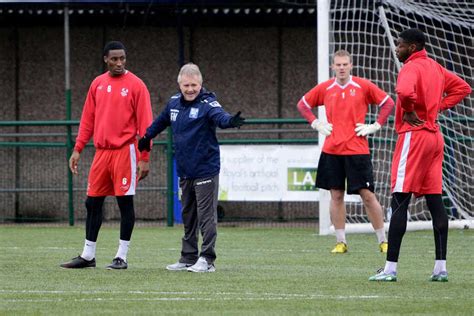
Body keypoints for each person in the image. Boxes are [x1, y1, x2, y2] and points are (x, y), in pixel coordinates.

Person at [369, 29, 471, 282]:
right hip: (435, 138)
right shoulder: (435, 67)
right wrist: (436, 108)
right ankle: (440, 268)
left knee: (400, 199)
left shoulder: (411, 68)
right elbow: (463, 88)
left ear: (412, 47)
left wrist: (412, 110)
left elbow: (404, 92)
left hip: (414, 136)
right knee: (435, 201)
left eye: (400, 45)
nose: (397, 48)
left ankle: (390, 269)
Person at [138, 63, 245, 273]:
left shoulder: (208, 103)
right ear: (179, 84)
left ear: (200, 84)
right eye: (186, 85)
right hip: (185, 170)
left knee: (206, 216)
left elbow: (221, 117)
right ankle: (188, 257)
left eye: (194, 85)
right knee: (188, 215)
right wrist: (146, 137)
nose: (190, 89)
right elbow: (159, 122)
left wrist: (231, 121)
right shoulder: (173, 103)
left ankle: (207, 259)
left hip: (206, 169)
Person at [60, 41, 153, 270]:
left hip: (125, 152)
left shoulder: (137, 85)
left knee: (125, 203)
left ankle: (121, 257)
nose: (119, 63)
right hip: (101, 153)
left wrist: (144, 157)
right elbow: (87, 119)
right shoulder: (97, 84)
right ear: (105, 59)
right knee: (92, 203)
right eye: (114, 59)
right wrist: (78, 148)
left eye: (122, 58)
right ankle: (88, 255)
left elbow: (146, 124)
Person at [297, 49, 395, 254]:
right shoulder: (325, 88)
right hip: (332, 150)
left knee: (367, 195)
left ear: (351, 65)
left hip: (357, 150)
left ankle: (383, 240)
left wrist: (375, 125)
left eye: (345, 64)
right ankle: (341, 242)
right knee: (336, 195)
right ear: (333, 67)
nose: (341, 68)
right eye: (338, 64)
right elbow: (303, 104)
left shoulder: (363, 86)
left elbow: (388, 103)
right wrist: (315, 123)